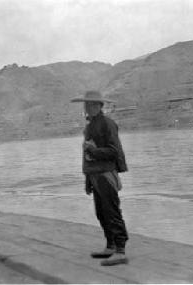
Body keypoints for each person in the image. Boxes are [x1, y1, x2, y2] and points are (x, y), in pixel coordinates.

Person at [70, 90, 129, 266]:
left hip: (106, 174)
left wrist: (93, 151)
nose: (88, 108)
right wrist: (88, 180)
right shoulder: (89, 127)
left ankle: (120, 251)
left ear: (99, 106)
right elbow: (87, 157)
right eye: (86, 105)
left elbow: (114, 151)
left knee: (112, 212)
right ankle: (110, 245)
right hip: (95, 175)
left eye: (91, 104)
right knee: (101, 213)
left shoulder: (108, 124)